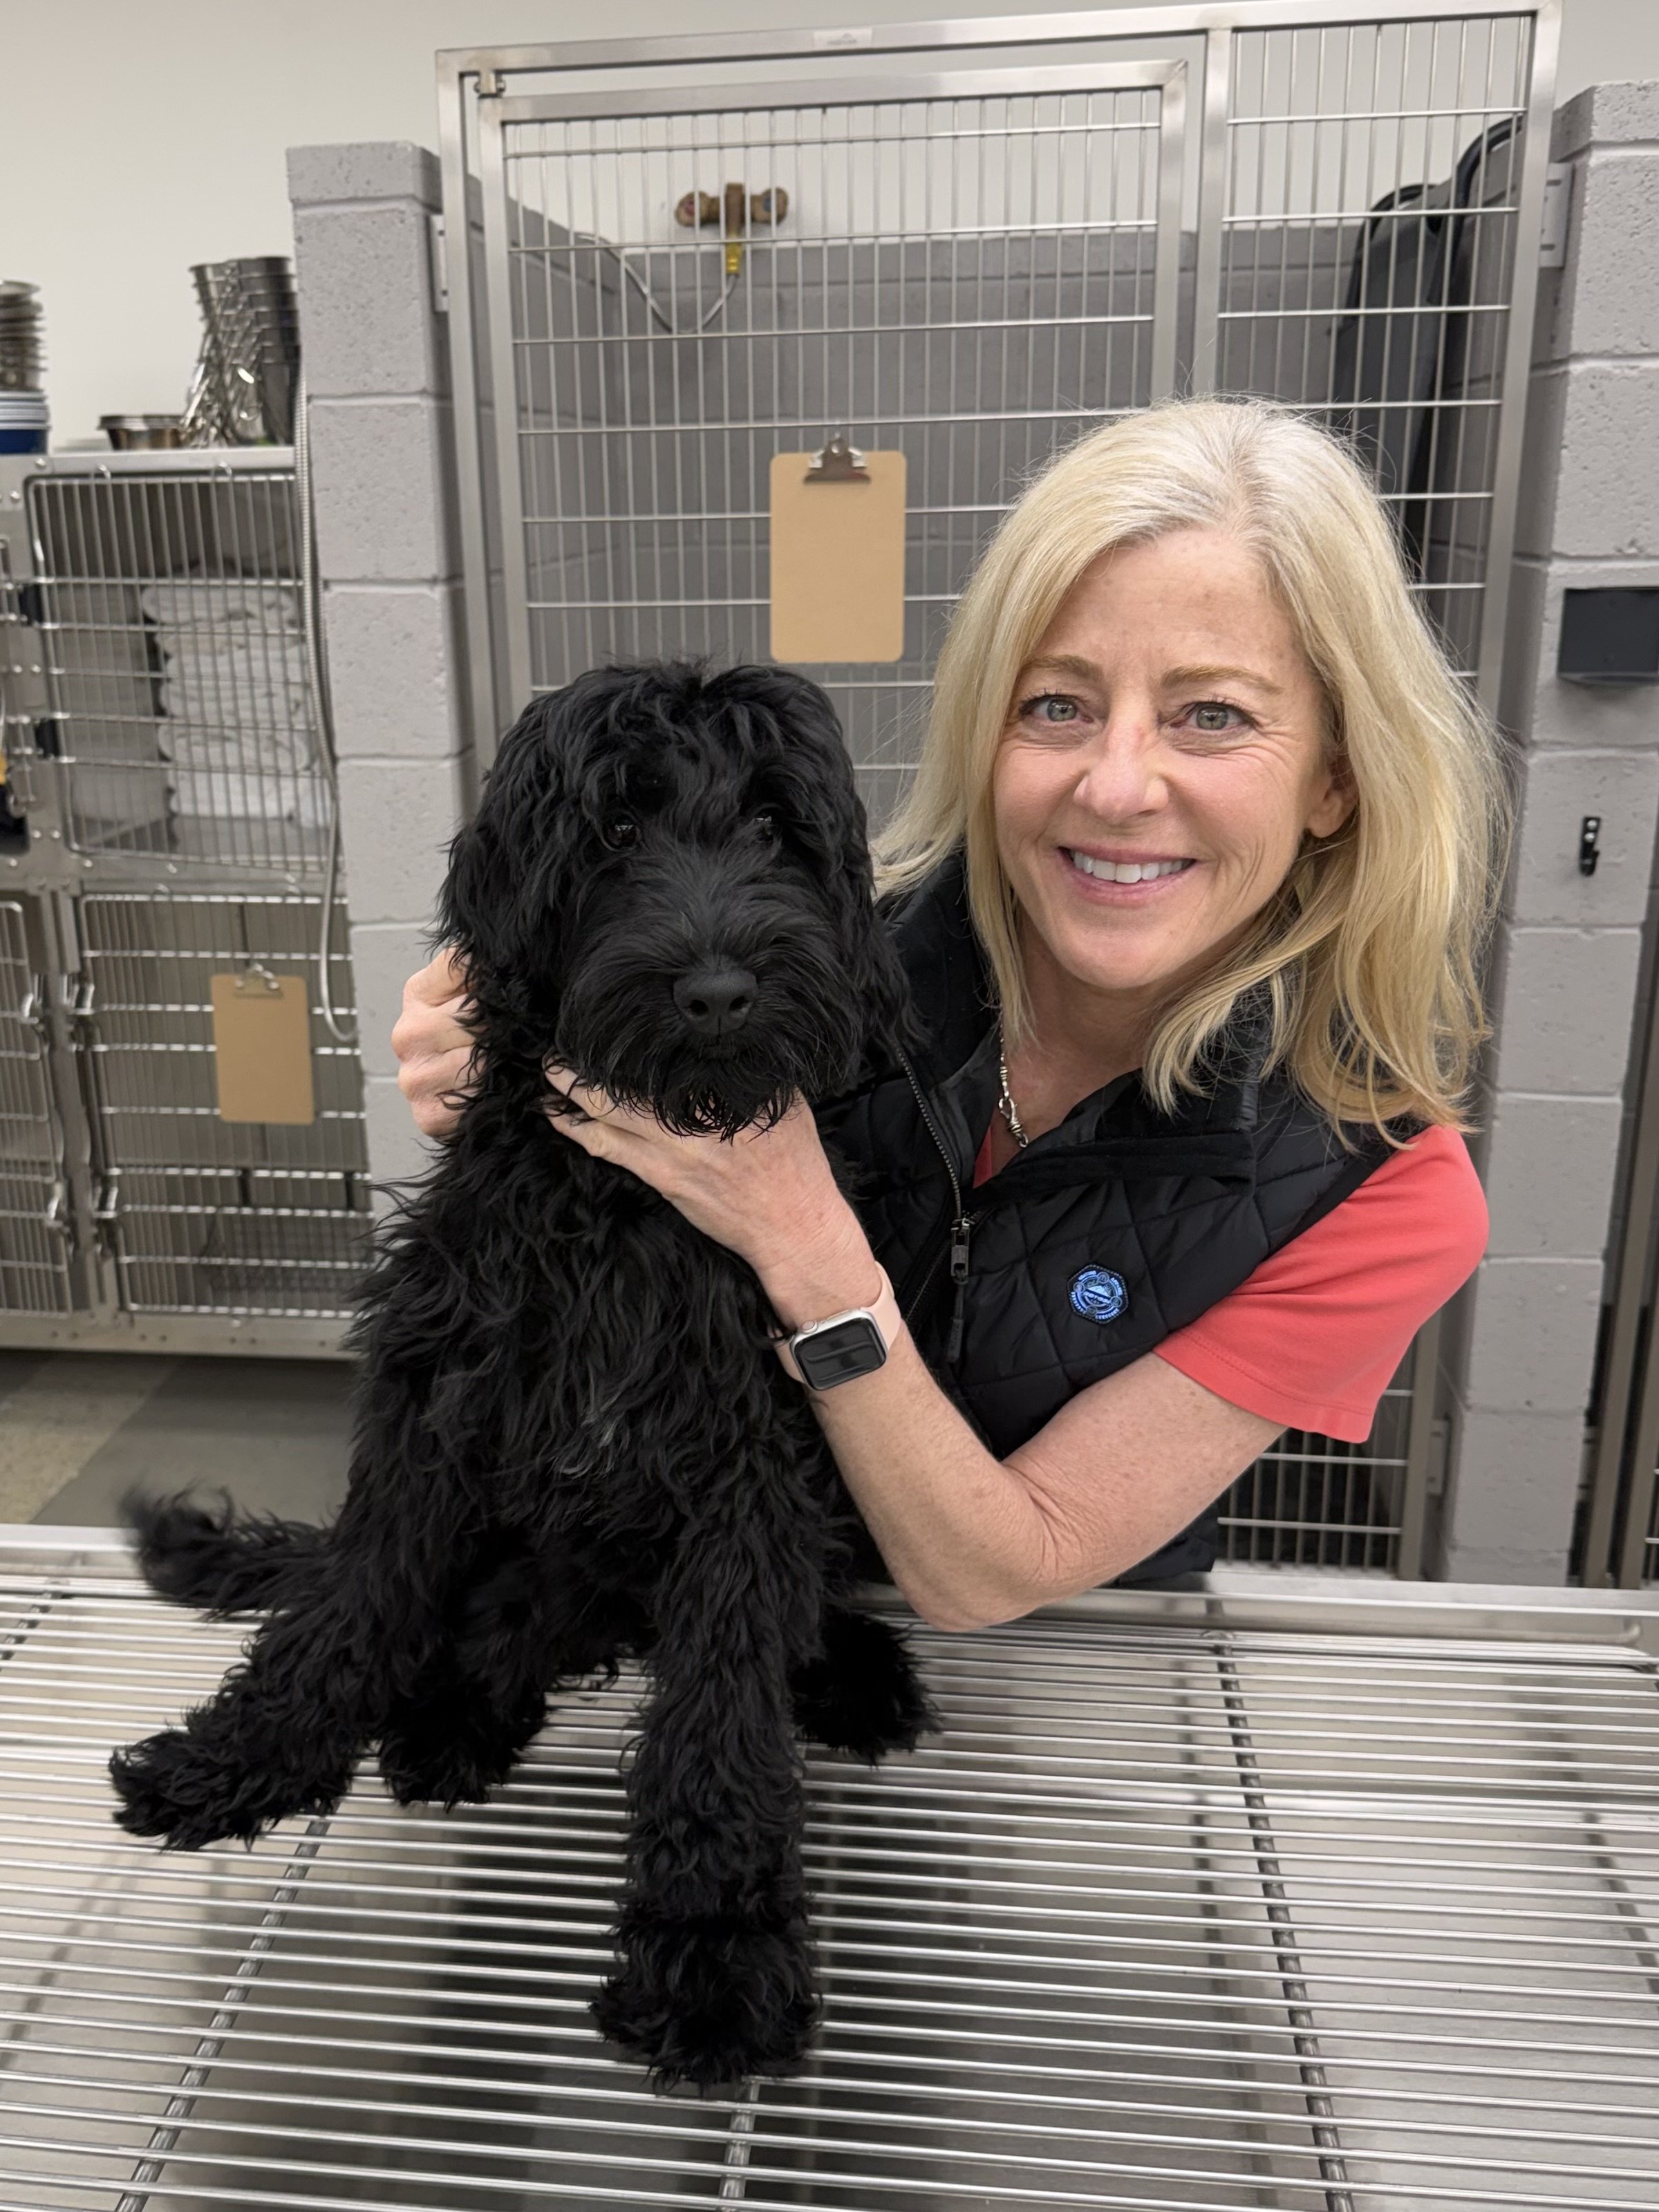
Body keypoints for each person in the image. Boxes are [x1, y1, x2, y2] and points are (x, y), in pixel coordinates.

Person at [392, 398, 1497, 1631]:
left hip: (1058, 1653)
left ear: (1336, 779)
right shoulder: (812, 960)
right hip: (694, 1607)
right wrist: (494, 1039)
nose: (1118, 786)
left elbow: (1006, 1568)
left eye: (1213, 715)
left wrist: (805, 1239)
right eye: (1058, 704)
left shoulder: (1380, 1192)